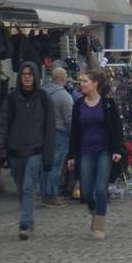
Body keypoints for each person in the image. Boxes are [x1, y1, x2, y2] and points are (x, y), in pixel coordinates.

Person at [0, 62, 55, 240]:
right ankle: (29, 219)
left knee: (28, 187)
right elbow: (2, 126)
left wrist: (48, 157)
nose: (27, 77)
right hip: (15, 152)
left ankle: (24, 224)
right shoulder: (12, 99)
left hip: (35, 150)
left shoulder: (43, 98)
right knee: (21, 189)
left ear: (35, 76)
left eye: (30, 74)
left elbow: (50, 129)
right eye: (24, 74)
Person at [65, 70, 124, 240]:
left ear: (95, 83)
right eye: (81, 81)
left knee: (100, 188)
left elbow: (117, 129)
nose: (81, 84)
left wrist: (117, 150)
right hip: (85, 151)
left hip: (104, 151)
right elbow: (74, 132)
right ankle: (94, 210)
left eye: (85, 81)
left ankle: (100, 225)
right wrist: (71, 155)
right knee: (86, 192)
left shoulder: (108, 104)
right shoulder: (78, 105)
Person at [41, 67, 73, 207]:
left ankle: (44, 193)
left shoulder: (42, 92)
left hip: (43, 133)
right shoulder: (64, 96)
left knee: (45, 165)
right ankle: (52, 195)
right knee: (56, 166)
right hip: (59, 134)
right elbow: (69, 120)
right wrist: (72, 135)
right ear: (62, 78)